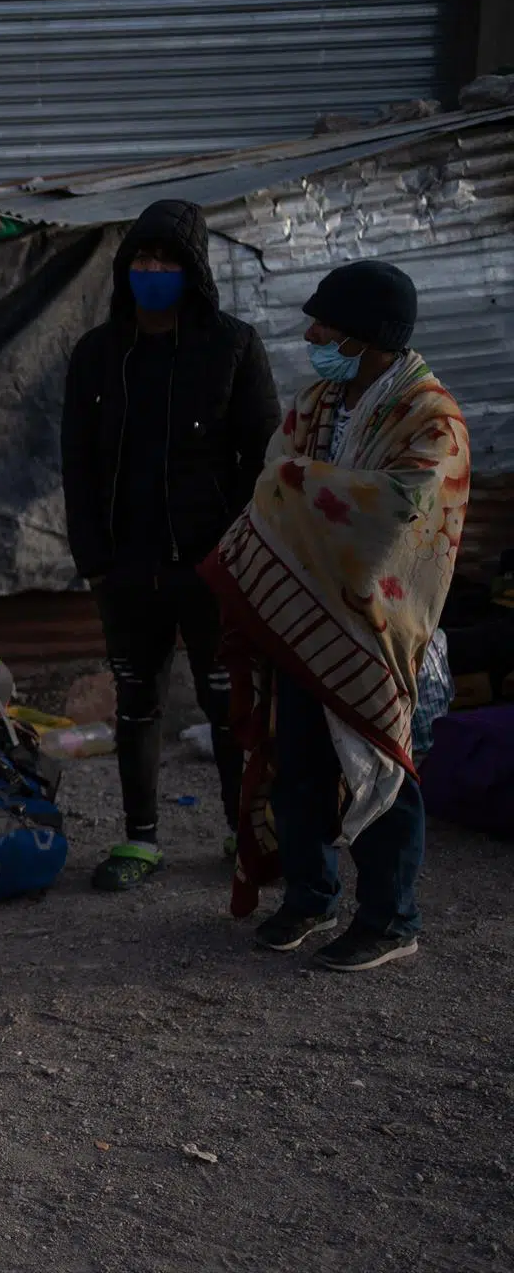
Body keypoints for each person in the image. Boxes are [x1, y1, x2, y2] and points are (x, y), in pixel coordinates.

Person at [200, 261, 470, 972]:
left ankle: (390, 917)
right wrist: (300, 489)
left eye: (328, 325)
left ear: (370, 337)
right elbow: (272, 476)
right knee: (300, 766)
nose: (313, 334)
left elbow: (406, 509)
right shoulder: (319, 400)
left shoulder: (430, 417)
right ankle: (311, 895)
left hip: (382, 632)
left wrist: (302, 488)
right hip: (304, 619)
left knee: (381, 762)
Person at [61, 199, 281, 891]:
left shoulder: (233, 347)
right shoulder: (98, 356)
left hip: (215, 566)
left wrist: (243, 557)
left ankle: (243, 833)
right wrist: (94, 559)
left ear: (193, 272)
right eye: (141, 261)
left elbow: (263, 462)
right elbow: (77, 465)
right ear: (125, 269)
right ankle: (141, 839)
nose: (152, 272)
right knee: (136, 700)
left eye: (167, 261)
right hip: (128, 566)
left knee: (229, 702)